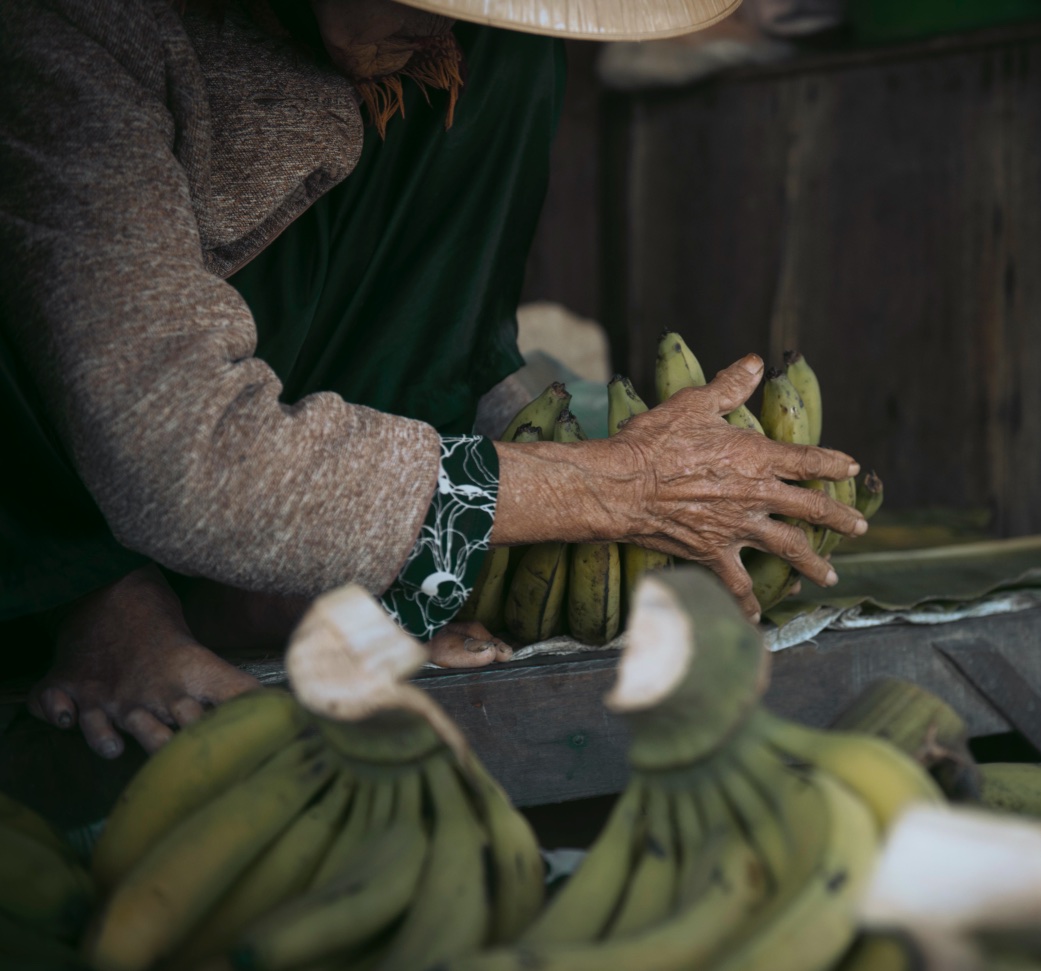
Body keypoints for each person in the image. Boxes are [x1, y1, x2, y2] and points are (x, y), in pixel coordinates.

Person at [0, 0, 866, 760]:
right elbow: (180, 453)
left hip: (292, 414)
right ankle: (94, 594)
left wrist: (565, 450)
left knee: (508, 56)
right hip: (86, 443)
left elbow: (444, 327)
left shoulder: (468, 48)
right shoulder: (77, 29)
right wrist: (615, 486)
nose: (445, 19)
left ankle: (276, 577)